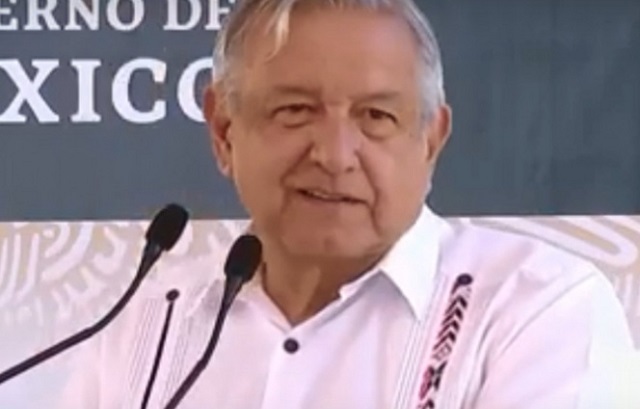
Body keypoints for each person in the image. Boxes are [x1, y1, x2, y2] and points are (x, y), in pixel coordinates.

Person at [58, 0, 638, 408]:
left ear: (431, 141)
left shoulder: (535, 307)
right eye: (295, 111)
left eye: (376, 116)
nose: (335, 156)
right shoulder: (146, 323)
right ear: (224, 130)